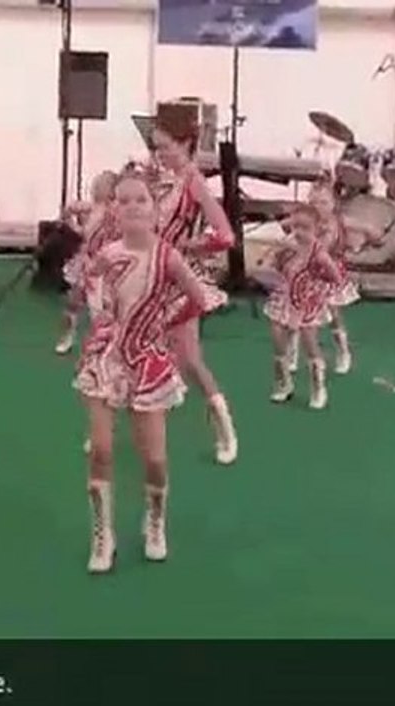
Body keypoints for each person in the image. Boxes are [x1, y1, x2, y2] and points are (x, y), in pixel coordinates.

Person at [75, 169, 208, 573]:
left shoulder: (168, 256)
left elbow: (197, 297)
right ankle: (103, 533)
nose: (132, 206)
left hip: (148, 363)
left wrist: (165, 325)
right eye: (124, 200)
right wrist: (101, 321)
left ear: (155, 210)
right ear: (113, 210)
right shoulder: (108, 254)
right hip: (106, 359)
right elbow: (93, 288)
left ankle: (154, 521)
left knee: (154, 459)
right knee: (100, 449)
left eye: (141, 200)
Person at [150, 108, 238, 465]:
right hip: (149, 274)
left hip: (181, 279)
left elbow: (226, 236)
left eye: (166, 147)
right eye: (156, 147)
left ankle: (225, 428)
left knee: (189, 360)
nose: (160, 154)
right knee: (131, 349)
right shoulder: (158, 178)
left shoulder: (193, 182)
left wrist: (188, 246)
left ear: (186, 143)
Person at [285, 177, 381, 375]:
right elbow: (286, 225)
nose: (319, 207)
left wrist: (363, 241)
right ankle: (292, 353)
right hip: (307, 272)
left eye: (324, 202)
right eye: (314, 203)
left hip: (329, 273)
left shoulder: (340, 221)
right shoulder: (306, 221)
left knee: (333, 314)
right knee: (297, 311)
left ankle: (343, 351)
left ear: (334, 204)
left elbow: (374, 232)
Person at [263, 203, 342, 409]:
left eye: (305, 228)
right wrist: (275, 260)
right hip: (284, 297)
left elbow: (336, 278)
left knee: (310, 344)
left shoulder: (320, 254)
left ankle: (318, 387)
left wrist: (317, 280)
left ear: (316, 229)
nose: (299, 232)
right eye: (296, 226)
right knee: (278, 341)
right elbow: (273, 267)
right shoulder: (288, 246)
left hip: (307, 300)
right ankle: (284, 384)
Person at [55, 171, 118, 355]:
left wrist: (73, 221)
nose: (96, 187)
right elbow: (78, 216)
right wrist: (69, 214)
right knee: (73, 303)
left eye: (102, 185)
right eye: (97, 184)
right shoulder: (95, 207)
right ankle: (68, 337)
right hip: (85, 262)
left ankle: (105, 341)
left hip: (103, 264)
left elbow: (87, 232)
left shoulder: (114, 210)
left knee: (98, 307)